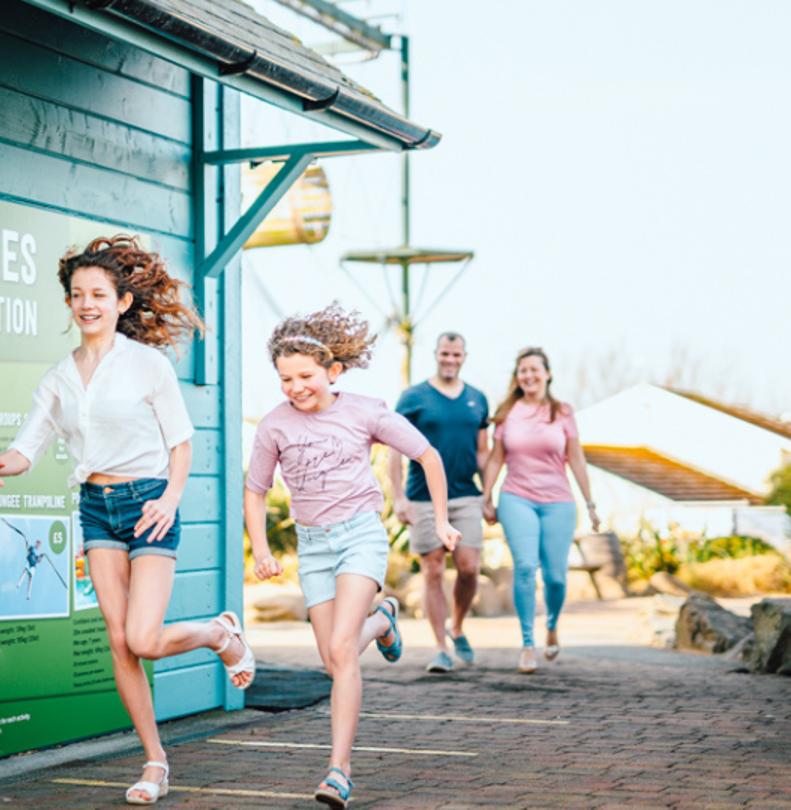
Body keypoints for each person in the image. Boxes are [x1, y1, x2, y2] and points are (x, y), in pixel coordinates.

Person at [0, 235, 254, 806]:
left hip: (150, 503)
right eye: (77, 294)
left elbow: (181, 442)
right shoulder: (59, 377)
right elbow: (26, 449)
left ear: (121, 302)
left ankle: (218, 633)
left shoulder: (147, 364)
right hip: (97, 509)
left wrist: (171, 499)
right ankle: (155, 761)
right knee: (120, 641)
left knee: (145, 638)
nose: (86, 303)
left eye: (98, 293)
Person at [246, 304, 460, 809]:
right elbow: (254, 491)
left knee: (342, 649)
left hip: (360, 536)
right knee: (331, 658)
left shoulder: (365, 410)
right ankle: (383, 619)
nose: (295, 387)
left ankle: (339, 770)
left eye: (305, 376)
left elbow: (426, 455)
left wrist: (444, 519)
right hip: (313, 545)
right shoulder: (274, 426)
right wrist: (260, 549)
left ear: (332, 371)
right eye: (284, 379)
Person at [481, 347, 600, 674]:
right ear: (517, 377)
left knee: (556, 578)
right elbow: (495, 458)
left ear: (547, 374)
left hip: (558, 502)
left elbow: (576, 458)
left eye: (534, 369)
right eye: (523, 371)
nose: (528, 376)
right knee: (524, 566)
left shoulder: (562, 411)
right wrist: (486, 495)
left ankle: (551, 624)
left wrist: (590, 503)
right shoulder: (508, 413)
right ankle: (528, 643)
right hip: (517, 498)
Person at [388, 332, 490, 673]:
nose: (450, 359)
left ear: (464, 356)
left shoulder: (477, 398)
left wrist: (489, 493)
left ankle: (457, 626)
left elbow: (483, 451)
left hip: (466, 495)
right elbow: (394, 447)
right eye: (445, 353)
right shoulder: (414, 396)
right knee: (432, 570)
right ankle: (440, 648)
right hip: (422, 498)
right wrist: (398, 496)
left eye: (456, 354)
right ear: (436, 354)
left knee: (468, 568)